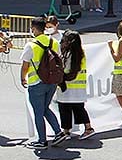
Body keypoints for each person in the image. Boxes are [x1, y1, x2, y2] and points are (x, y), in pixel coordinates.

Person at [20, 16, 66, 149]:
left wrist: (23, 78)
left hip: (36, 83)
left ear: (34, 29)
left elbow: (25, 66)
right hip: (52, 81)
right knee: (45, 108)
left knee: (38, 112)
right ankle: (58, 132)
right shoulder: (53, 42)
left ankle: (42, 140)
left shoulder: (31, 45)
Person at [56, 31, 94, 140]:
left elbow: (67, 69)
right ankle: (88, 128)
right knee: (79, 109)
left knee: (65, 109)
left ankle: (66, 131)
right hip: (78, 88)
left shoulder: (69, 54)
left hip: (68, 87)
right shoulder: (80, 53)